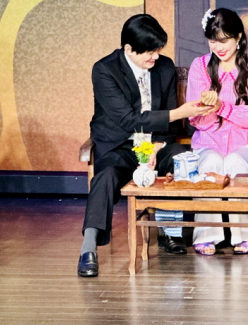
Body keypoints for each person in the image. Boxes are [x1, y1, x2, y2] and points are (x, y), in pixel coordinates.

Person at [78, 14, 207, 277]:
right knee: (105, 177)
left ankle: (170, 232)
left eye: (158, 50)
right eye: (149, 52)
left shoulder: (164, 67)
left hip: (155, 144)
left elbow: (170, 125)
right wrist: (180, 113)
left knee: (181, 157)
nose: (155, 57)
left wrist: (157, 146)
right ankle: (88, 247)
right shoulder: (105, 70)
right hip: (120, 146)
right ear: (129, 49)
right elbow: (128, 120)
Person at [186, 9, 248, 255]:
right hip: (207, 144)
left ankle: (246, 235)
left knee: (235, 162)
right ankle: (206, 235)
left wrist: (221, 107)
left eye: (224, 40)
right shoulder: (199, 66)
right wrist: (206, 108)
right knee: (211, 163)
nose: (218, 47)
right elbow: (196, 118)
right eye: (213, 41)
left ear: (238, 37)